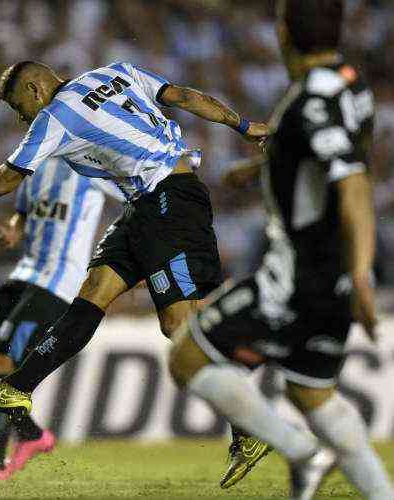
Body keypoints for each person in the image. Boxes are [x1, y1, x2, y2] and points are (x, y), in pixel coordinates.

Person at [0, 59, 268, 456]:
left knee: (179, 324)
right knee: (96, 287)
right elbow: (184, 96)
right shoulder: (115, 71)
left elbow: (3, 180)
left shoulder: (55, 116)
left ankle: (251, 424)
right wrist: (243, 125)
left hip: (170, 201)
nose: (20, 118)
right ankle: (15, 388)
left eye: (18, 108)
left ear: (34, 90)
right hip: (147, 205)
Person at [167, 1, 393, 499]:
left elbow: (352, 183)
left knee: (187, 357)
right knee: (311, 392)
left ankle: (303, 455)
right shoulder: (351, 84)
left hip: (298, 276)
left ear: (284, 32)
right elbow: (328, 158)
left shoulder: (309, 99)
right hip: (330, 275)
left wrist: (363, 275)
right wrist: (261, 170)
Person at [0, 157, 123, 480]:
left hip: (59, 283)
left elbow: (138, 190)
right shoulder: (33, 159)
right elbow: (22, 212)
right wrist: (15, 230)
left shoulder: (91, 159)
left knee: (1, 361)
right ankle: (31, 433)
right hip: (25, 273)